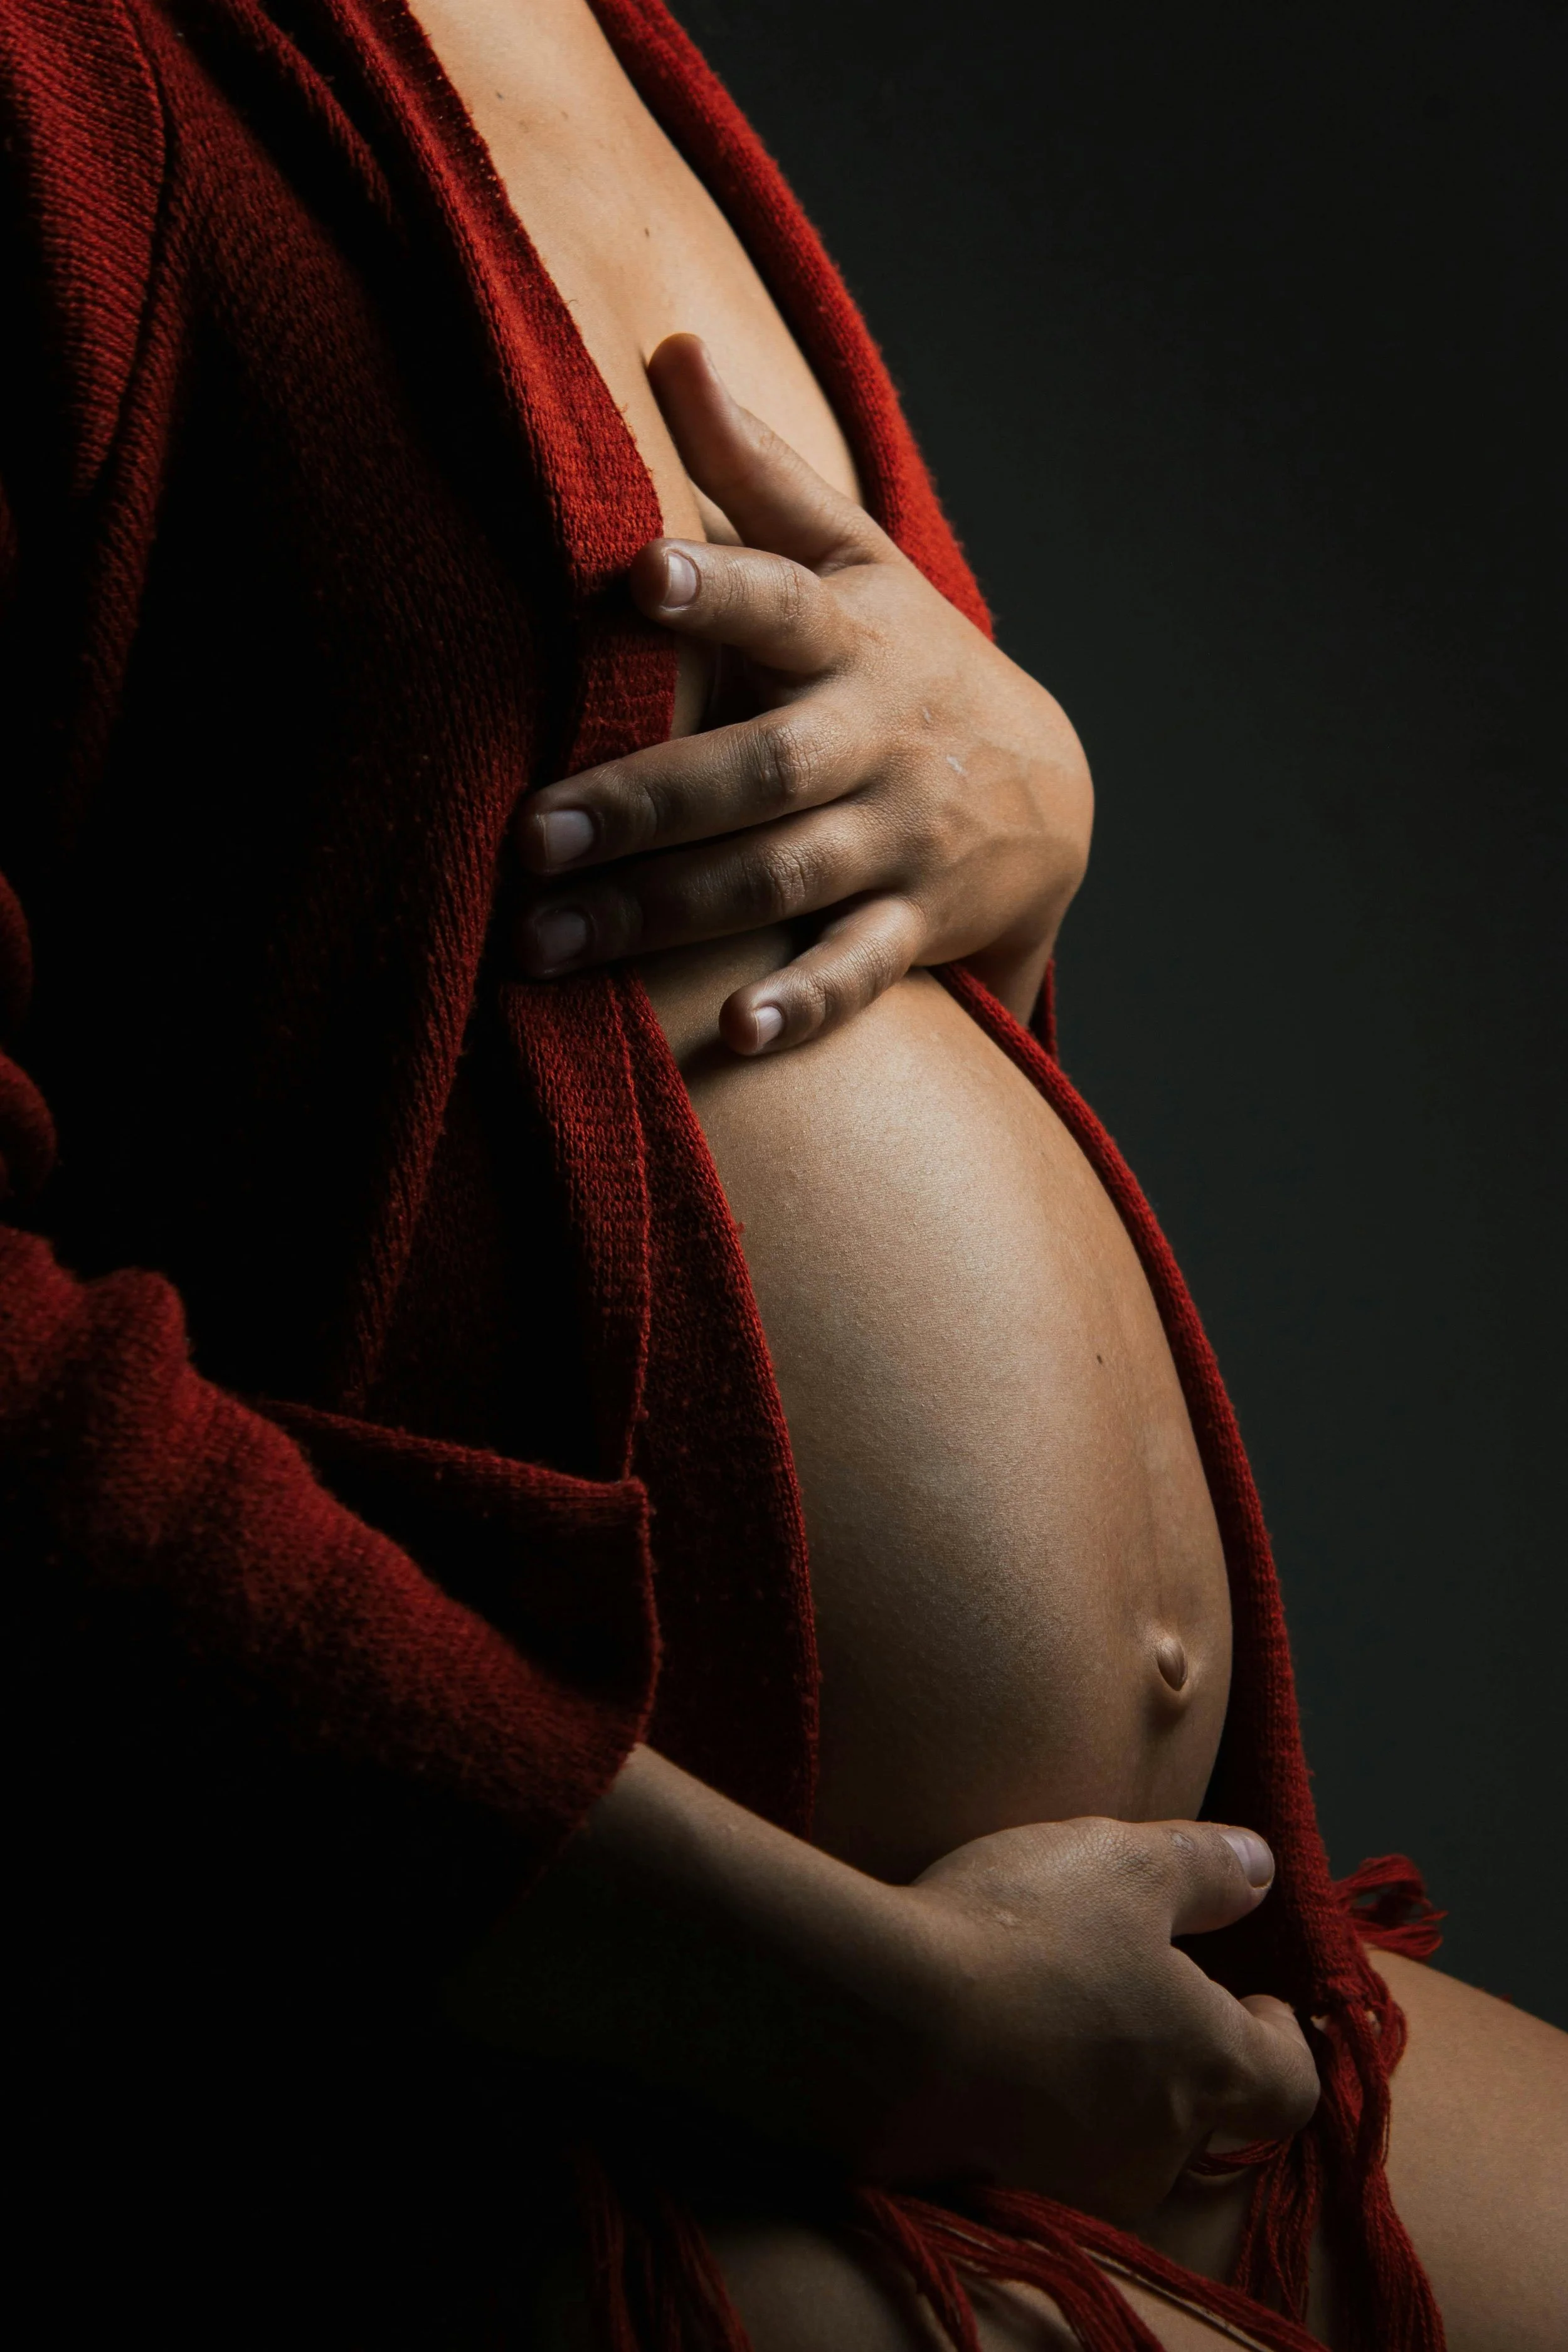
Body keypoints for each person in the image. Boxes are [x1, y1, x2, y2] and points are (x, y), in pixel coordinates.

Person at [1, 3, 1561, 2348]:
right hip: (536, 2053)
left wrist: (1023, 821)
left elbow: (635, 1029)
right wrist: (862, 2009)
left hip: (1080, 1991)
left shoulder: (593, 34)